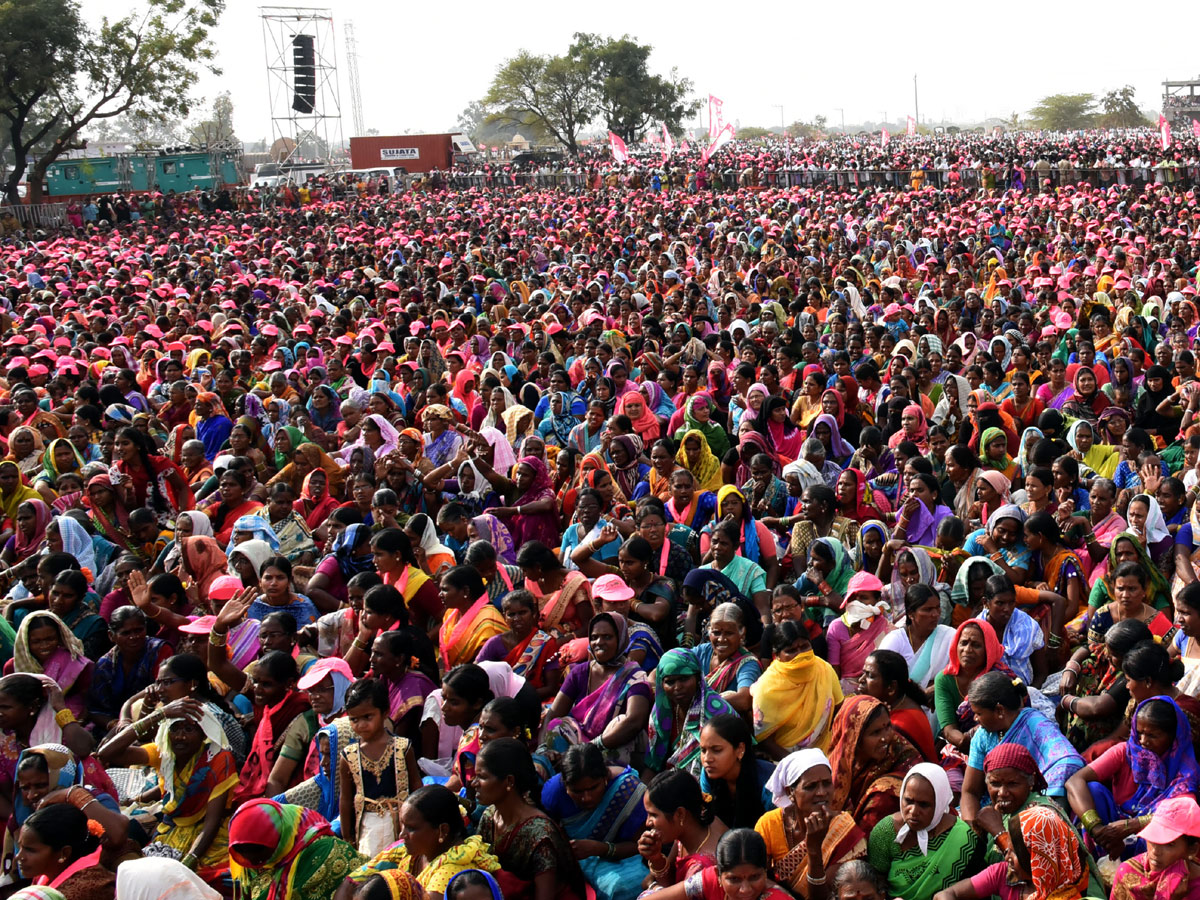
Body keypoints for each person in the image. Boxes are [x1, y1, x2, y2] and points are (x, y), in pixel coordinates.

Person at [94, 699, 237, 878]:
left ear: (203, 734)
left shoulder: (217, 759)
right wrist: (159, 715)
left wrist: (190, 859)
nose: (180, 736)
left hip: (208, 837)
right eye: (174, 729)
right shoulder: (164, 753)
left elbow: (212, 821)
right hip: (171, 831)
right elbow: (107, 753)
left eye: (189, 729)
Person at [1066, 696, 1200, 861]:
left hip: (1152, 840)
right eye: (1140, 732)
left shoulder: (1185, 771)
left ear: (1173, 737)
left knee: (1166, 833)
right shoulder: (1126, 752)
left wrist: (1130, 826)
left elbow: (1182, 813)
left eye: (1153, 735)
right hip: (1110, 831)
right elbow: (1075, 780)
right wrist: (1096, 828)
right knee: (1093, 790)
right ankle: (1095, 863)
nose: (1143, 741)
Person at [960, 672, 1084, 823]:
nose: (975, 719)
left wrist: (1042, 810)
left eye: (979, 713)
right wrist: (973, 828)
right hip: (990, 813)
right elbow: (970, 791)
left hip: (1033, 810)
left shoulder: (1036, 725)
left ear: (999, 711)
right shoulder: (982, 737)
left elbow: (1066, 762)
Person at [341, 784, 501, 900]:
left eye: (411, 828)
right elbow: (349, 884)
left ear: (442, 831)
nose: (402, 834)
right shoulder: (410, 849)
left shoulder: (453, 871)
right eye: (402, 826)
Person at [475, 737, 586, 900]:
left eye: (482, 777)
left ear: (509, 781)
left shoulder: (540, 835)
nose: (474, 783)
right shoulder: (489, 817)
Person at [541, 742, 649, 900]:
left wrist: (600, 849)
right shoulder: (554, 794)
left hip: (625, 856)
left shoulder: (628, 790)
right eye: (577, 791)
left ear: (605, 777)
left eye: (593, 788)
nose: (586, 797)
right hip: (577, 858)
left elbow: (639, 845)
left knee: (625, 885)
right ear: (565, 785)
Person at [754, 749, 867, 898]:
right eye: (811, 786)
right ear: (790, 792)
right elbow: (754, 878)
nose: (821, 792)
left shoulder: (843, 829)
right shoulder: (769, 824)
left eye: (827, 783)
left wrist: (814, 850)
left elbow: (824, 897)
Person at [542, 612, 651, 765]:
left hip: (611, 747)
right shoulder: (580, 672)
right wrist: (542, 748)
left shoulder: (635, 677)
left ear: (621, 639)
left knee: (620, 721)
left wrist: (593, 746)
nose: (599, 642)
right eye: (594, 637)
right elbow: (554, 712)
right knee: (558, 726)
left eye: (607, 637)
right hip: (577, 745)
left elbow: (634, 721)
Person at [866, 764, 983, 900]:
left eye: (924, 804)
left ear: (939, 803)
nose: (913, 811)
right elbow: (876, 882)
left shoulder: (963, 838)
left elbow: (974, 888)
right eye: (908, 801)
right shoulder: (886, 831)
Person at [931, 805, 1096, 900]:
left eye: (1015, 852)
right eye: (1008, 847)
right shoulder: (1005, 873)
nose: (1007, 855)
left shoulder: (1068, 893)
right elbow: (946, 894)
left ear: (1039, 859)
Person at [337, 678, 420, 856]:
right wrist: (347, 836)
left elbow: (416, 788)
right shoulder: (349, 756)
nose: (360, 725)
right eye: (354, 719)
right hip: (368, 826)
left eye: (367, 717)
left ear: (385, 713)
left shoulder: (403, 748)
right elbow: (345, 798)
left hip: (400, 823)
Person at [228, 798, 365, 900]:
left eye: (260, 856)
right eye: (249, 861)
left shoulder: (325, 852)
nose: (257, 864)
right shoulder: (246, 848)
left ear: (278, 840)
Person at [827, 695, 923, 834]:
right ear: (855, 738)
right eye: (876, 732)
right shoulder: (845, 757)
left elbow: (865, 836)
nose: (886, 738)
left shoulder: (902, 762)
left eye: (888, 727)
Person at [751, 620, 843, 757]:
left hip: (825, 753)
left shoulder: (824, 670)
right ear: (777, 656)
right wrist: (798, 764)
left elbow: (839, 710)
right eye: (791, 650)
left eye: (804, 647)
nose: (800, 655)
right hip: (785, 760)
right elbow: (765, 741)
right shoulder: (768, 688)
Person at [646, 648, 738, 778]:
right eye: (670, 682)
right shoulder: (662, 710)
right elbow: (652, 764)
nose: (677, 687)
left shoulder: (717, 712)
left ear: (698, 678)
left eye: (684, 679)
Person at [638, 768, 726, 893]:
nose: (648, 822)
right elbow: (669, 880)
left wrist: (653, 887)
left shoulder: (702, 868)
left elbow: (669, 891)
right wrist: (655, 858)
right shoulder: (692, 827)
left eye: (653, 815)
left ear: (680, 814)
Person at [641, 829, 793, 900]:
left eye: (754, 877)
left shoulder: (776, 898)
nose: (745, 889)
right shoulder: (710, 879)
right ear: (718, 875)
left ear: (765, 872)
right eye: (734, 879)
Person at [15, 803, 115, 899]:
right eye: (20, 847)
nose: (18, 857)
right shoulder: (45, 874)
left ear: (64, 853)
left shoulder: (80, 891)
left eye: (30, 850)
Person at [1110, 796, 1200, 900]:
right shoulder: (1127, 872)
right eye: (1153, 838)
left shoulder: (1196, 888)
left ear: (1192, 850)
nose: (1155, 851)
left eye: (1169, 844)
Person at [856, 651, 936, 763]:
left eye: (871, 676)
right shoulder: (900, 705)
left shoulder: (896, 726)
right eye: (863, 673)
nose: (861, 680)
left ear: (891, 688)